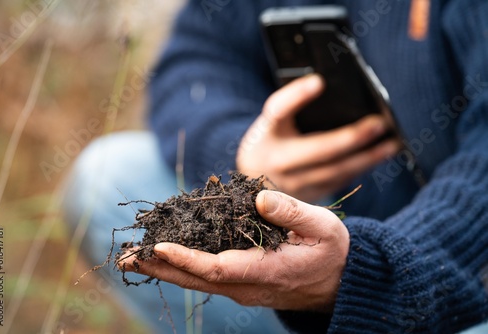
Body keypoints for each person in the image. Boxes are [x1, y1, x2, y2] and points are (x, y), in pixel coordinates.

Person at [65, 0, 488, 332]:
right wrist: (243, 154)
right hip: (315, 222)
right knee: (106, 181)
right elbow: (198, 57)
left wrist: (367, 269)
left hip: (457, 268)